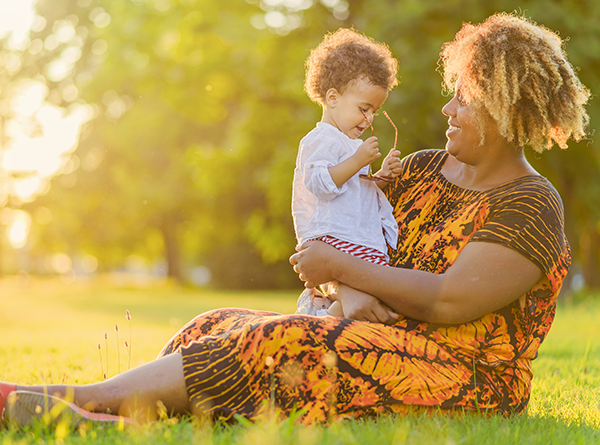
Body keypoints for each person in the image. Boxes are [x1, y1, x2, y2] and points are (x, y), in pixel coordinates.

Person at [0, 12, 590, 429]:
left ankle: (79, 401)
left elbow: (448, 302)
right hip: (376, 335)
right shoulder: (422, 168)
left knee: (282, 340)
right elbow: (345, 220)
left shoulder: (529, 204)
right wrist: (342, 276)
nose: (446, 108)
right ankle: (130, 424)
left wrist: (339, 267)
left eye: (462, 98)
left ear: (505, 107)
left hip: (462, 378)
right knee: (215, 323)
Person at [293, 28, 402, 318]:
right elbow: (320, 183)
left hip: (358, 237)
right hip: (335, 239)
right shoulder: (320, 140)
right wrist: (357, 160)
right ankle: (320, 319)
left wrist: (381, 176)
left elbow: (353, 187)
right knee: (366, 294)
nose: (370, 119)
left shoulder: (350, 144)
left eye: (375, 111)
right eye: (364, 109)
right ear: (332, 98)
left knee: (376, 294)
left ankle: (327, 318)